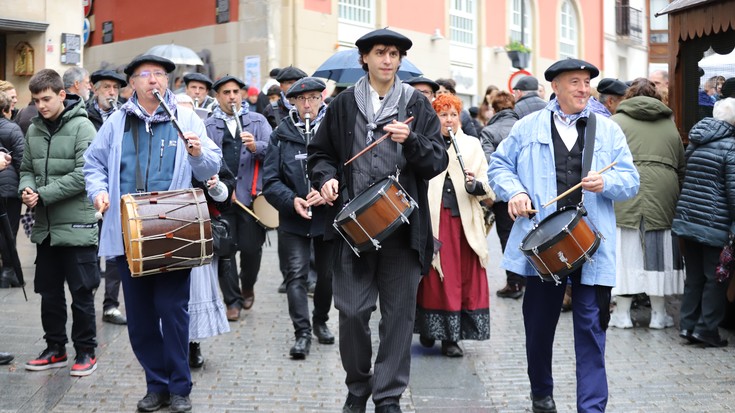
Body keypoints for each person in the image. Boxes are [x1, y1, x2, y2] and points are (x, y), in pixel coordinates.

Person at [488, 58, 639, 413]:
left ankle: (591, 408)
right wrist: (515, 192)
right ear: (554, 86)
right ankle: (541, 393)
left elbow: (631, 180)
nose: (583, 89)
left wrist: (608, 182)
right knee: (539, 329)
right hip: (544, 247)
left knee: (591, 330)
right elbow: (499, 165)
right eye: (575, 82)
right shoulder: (527, 127)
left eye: (587, 82)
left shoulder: (608, 130)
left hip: (592, 245)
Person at [308, 28, 447, 413]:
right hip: (353, 230)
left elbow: (437, 161)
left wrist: (412, 141)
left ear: (400, 61)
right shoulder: (341, 105)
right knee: (352, 313)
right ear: (364, 59)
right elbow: (319, 154)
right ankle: (358, 386)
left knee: (399, 317)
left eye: (394, 54)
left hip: (404, 230)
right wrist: (327, 178)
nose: (388, 60)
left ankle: (387, 395)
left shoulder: (418, 105)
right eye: (380, 53)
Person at [83, 55, 222, 412]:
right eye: (144, 75)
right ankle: (155, 384)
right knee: (142, 317)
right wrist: (98, 191)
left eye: (159, 74)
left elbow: (211, 164)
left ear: (167, 81)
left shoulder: (186, 118)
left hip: (174, 230)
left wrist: (196, 152)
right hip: (130, 234)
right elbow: (94, 163)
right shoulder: (116, 122)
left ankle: (180, 388)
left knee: (172, 311)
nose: (153, 80)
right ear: (132, 83)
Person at [20, 69, 101, 377]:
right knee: (49, 292)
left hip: (77, 225)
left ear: (62, 95)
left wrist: (41, 194)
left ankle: (86, 352)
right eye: (36, 100)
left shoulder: (84, 127)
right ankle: (55, 349)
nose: (41, 106)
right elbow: (26, 167)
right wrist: (25, 189)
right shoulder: (33, 129)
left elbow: (84, 175)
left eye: (47, 99)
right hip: (47, 228)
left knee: (81, 293)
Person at [414, 93, 493, 357]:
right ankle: (430, 329)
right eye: (443, 115)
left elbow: (487, 186)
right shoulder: (426, 144)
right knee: (436, 277)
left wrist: (475, 184)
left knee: (462, 278)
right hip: (435, 219)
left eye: (453, 115)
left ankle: (452, 337)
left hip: (464, 221)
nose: (449, 120)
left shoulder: (471, 144)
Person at [262, 77, 335, 359]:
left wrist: (326, 191)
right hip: (294, 218)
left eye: (314, 98)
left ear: (321, 99)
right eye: (301, 99)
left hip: (326, 216)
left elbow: (344, 170)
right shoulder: (280, 134)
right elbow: (270, 181)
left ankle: (320, 321)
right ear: (291, 101)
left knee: (327, 277)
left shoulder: (332, 131)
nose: (308, 104)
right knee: (296, 276)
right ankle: (301, 333)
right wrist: (291, 200)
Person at [609, 78, 686, 329]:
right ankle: (658, 315)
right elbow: (680, 163)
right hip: (663, 192)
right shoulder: (669, 124)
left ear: (628, 95)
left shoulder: (616, 122)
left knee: (625, 251)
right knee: (658, 252)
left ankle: (621, 315)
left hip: (625, 191)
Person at [204, 75, 272, 321]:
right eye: (226, 92)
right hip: (221, 198)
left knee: (252, 248)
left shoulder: (257, 120)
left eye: (235, 91)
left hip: (251, 198)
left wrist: (257, 147)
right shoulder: (210, 126)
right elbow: (204, 162)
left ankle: (248, 286)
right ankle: (231, 300)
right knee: (225, 250)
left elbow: (274, 152)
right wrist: (219, 186)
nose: (232, 96)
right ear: (217, 97)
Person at [673, 97, 735, 348]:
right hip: (714, 223)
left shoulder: (698, 140)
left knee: (695, 276)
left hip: (689, 220)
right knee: (716, 278)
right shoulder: (731, 147)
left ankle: (688, 325)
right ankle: (707, 329)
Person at [84, 69, 130, 325]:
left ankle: (111, 305)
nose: (112, 93)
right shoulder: (84, 115)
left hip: (117, 194)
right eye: (106, 88)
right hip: (90, 194)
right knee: (90, 251)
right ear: (95, 89)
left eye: (115, 88)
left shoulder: (124, 116)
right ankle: (87, 302)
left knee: (114, 253)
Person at [479, 91, 525, 299]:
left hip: (502, 195)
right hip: (525, 192)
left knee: (507, 237)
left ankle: (514, 283)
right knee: (527, 234)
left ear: (495, 109)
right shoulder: (524, 127)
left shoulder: (489, 131)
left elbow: (488, 163)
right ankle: (527, 278)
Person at [0, 92, 22, 288]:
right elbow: (22, 160)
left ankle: (8, 272)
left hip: (7, 188)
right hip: (9, 190)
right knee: (8, 231)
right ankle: (8, 271)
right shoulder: (12, 128)